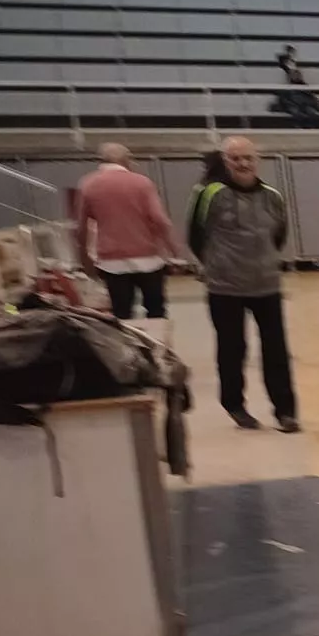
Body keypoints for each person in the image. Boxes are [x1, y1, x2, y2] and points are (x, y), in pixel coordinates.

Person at [188, 135, 295, 432]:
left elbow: (279, 235)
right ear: (226, 162)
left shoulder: (273, 195)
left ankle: (286, 411)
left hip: (267, 285)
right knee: (232, 349)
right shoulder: (210, 194)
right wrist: (217, 265)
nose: (243, 163)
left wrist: (264, 259)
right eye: (236, 158)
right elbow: (195, 237)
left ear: (257, 160)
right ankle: (235, 405)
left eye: (248, 157)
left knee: (276, 350)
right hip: (225, 288)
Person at [75, 143, 180, 321]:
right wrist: (175, 252)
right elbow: (160, 219)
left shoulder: (88, 184)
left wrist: (84, 259)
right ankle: (156, 346)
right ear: (126, 159)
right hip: (149, 260)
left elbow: (81, 226)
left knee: (121, 315)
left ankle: (127, 347)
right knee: (156, 311)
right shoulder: (142, 183)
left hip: (111, 262)